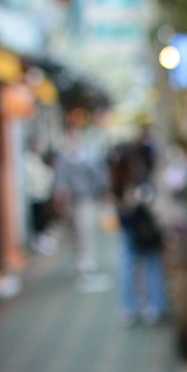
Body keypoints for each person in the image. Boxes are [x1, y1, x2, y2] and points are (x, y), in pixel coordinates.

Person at [110, 128, 170, 325]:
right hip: (138, 227)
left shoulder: (123, 174)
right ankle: (150, 305)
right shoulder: (133, 175)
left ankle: (137, 306)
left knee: (134, 264)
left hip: (134, 227)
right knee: (146, 264)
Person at [54, 125, 110, 276]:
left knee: (85, 229)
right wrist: (60, 194)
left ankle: (87, 260)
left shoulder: (90, 157)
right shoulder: (64, 159)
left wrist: (100, 193)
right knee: (73, 231)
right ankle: (78, 258)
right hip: (70, 200)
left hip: (86, 199)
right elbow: (60, 179)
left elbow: (100, 177)